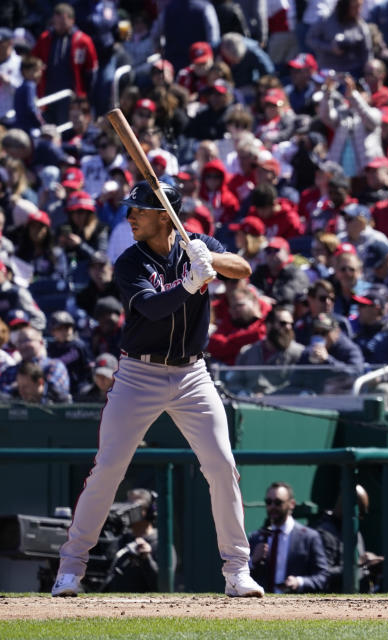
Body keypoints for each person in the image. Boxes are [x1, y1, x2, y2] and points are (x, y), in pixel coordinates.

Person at [52, 181, 263, 598]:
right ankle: (71, 568)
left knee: (222, 465)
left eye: (140, 210)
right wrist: (188, 284)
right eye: (130, 210)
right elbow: (149, 309)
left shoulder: (196, 241)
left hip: (193, 374)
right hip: (138, 374)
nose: (130, 217)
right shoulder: (129, 261)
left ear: (165, 215)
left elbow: (243, 268)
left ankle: (237, 570)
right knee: (108, 468)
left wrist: (210, 258)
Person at [248, 482, 332, 593]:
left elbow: (323, 577)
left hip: (295, 605)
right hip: (262, 605)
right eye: (269, 502)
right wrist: (252, 561)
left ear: (291, 504)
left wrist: (299, 582)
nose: (272, 507)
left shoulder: (309, 537)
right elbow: (238, 575)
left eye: (278, 502)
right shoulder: (256, 537)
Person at [101, 489, 162, 592]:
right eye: (127, 505)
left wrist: (146, 559)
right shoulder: (120, 541)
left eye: (134, 507)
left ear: (148, 511)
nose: (127, 511)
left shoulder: (160, 544)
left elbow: (162, 587)